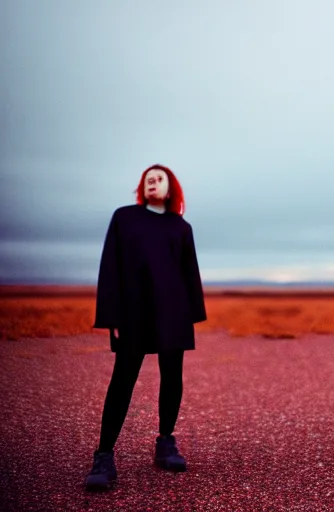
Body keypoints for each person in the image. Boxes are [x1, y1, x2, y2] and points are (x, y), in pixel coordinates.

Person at [84, 164, 207, 491]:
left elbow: (189, 270)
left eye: (160, 179)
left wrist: (192, 315)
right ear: (143, 186)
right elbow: (110, 265)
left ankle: (166, 441)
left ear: (170, 189)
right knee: (122, 380)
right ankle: (104, 455)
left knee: (172, 377)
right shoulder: (124, 218)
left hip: (173, 312)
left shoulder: (181, 227)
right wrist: (111, 317)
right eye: (149, 179)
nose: (153, 183)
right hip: (133, 314)